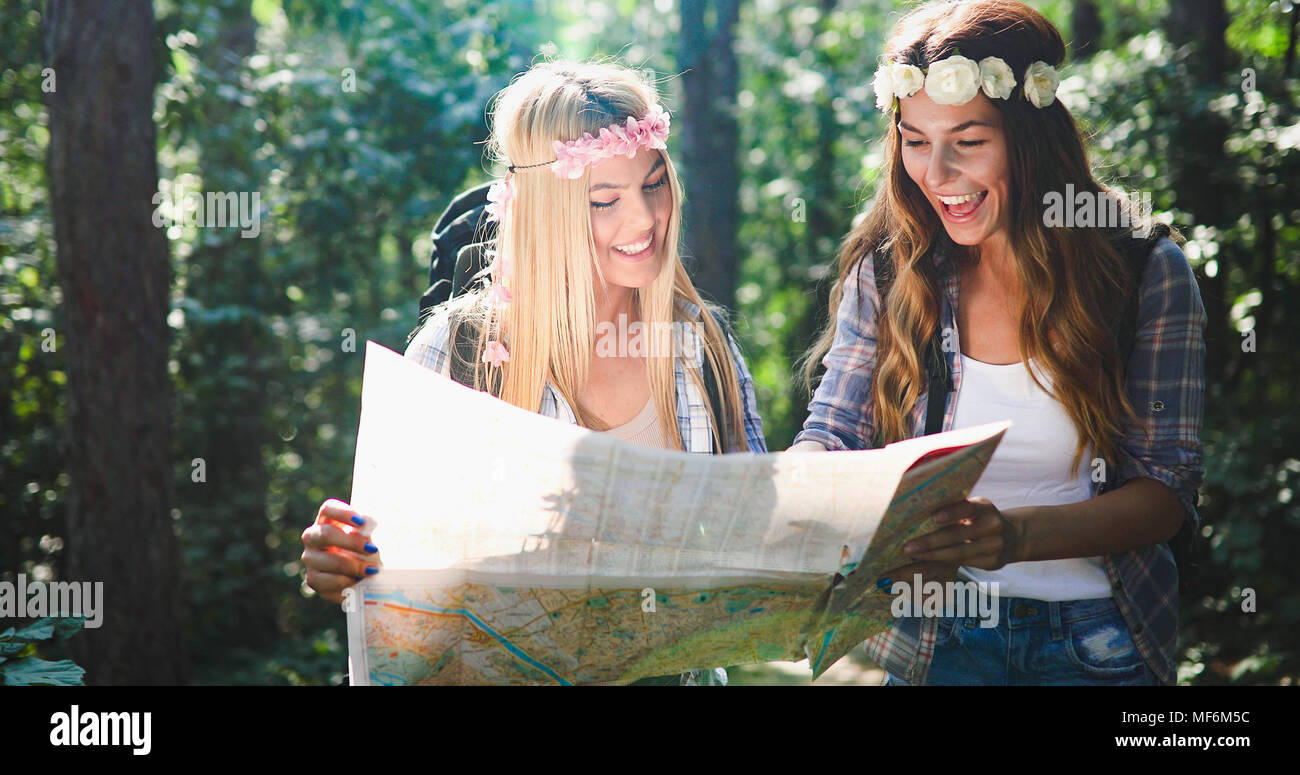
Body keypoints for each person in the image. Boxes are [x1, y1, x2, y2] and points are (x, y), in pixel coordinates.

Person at [300, 59, 766, 685]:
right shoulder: (456, 352)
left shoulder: (702, 349)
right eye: (605, 200)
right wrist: (345, 564)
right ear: (546, 211)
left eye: (654, 184)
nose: (644, 220)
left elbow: (761, 532)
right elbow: (392, 569)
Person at [789, 0, 1205, 685]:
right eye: (914, 140)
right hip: (934, 637)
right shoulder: (891, 268)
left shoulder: (1144, 270)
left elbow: (1164, 492)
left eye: (969, 140)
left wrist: (1013, 536)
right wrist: (797, 489)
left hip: (1096, 639)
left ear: (1030, 136)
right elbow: (834, 430)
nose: (937, 173)